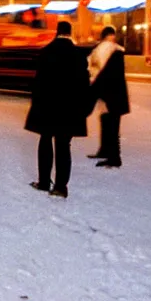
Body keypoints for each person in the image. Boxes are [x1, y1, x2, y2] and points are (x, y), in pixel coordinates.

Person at [25, 21, 90, 198]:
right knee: (63, 146)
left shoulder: (46, 52)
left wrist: (35, 104)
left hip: (47, 106)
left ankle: (44, 182)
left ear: (57, 32)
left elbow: (38, 83)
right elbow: (84, 85)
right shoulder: (78, 55)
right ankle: (61, 187)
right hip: (69, 109)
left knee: (45, 141)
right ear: (70, 33)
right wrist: (83, 108)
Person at [87, 25, 130, 168]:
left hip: (105, 92)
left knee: (109, 123)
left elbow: (93, 70)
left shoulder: (99, 50)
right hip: (115, 93)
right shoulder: (118, 50)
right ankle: (106, 151)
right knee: (110, 123)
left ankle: (113, 157)